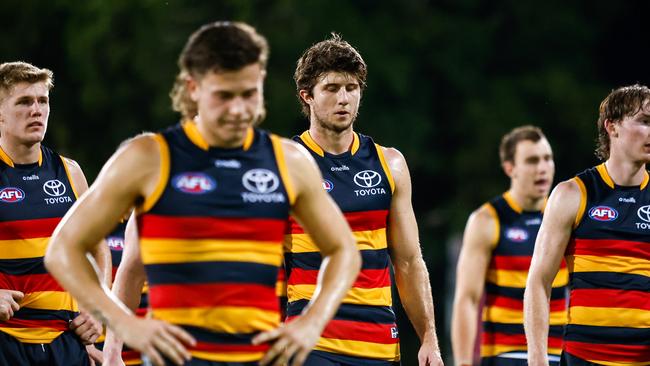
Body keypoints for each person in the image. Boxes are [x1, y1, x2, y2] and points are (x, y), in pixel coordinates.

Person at [44, 21, 361, 366]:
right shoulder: (148, 158)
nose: (239, 109)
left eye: (249, 94)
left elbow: (344, 249)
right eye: (224, 95)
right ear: (193, 88)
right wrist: (123, 325)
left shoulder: (289, 161)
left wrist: (311, 323)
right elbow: (64, 249)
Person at [284, 34, 443, 366]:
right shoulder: (285, 163)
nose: (343, 98)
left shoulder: (391, 164)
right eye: (331, 88)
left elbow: (409, 262)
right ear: (307, 96)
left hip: (378, 343)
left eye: (351, 88)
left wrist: (429, 338)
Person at [524, 84, 650, 365]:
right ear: (612, 127)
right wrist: (537, 358)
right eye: (644, 122)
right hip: (584, 358)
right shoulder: (572, 194)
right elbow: (539, 282)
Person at [0, 61, 108, 365]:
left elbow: (98, 248)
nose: (36, 110)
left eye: (42, 101)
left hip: (64, 344)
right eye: (24, 101)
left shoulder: (70, 172)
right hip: (7, 341)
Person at [451, 126, 567, 366]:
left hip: (558, 356)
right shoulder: (487, 220)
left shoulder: (566, 219)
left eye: (547, 158)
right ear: (509, 168)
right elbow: (467, 299)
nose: (542, 168)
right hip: (505, 356)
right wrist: (463, 362)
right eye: (532, 161)